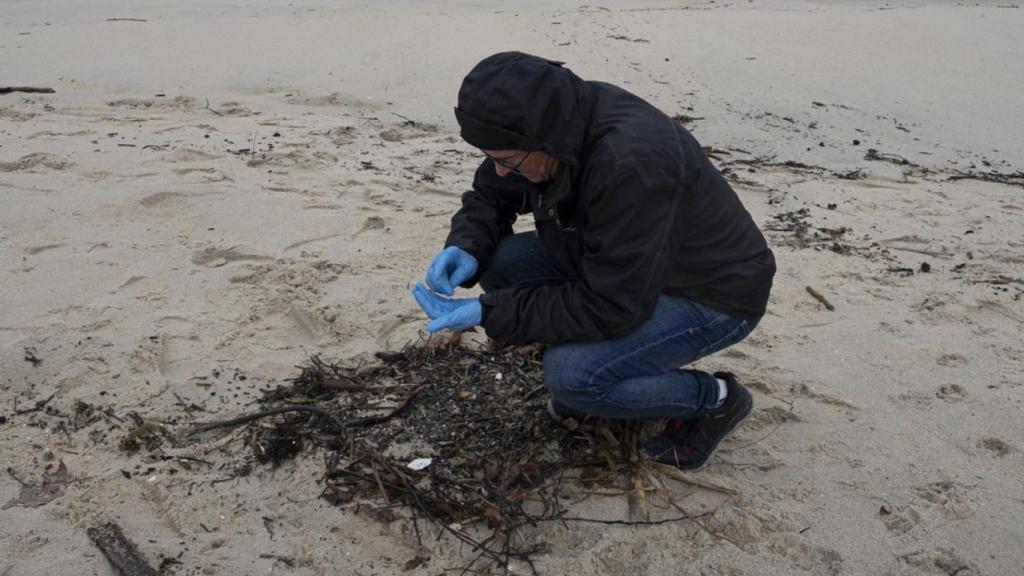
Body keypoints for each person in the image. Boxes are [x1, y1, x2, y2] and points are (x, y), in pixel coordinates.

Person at [412, 52, 775, 471]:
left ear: (542, 139)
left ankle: (715, 400)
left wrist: (491, 312)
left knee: (572, 378)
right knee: (499, 264)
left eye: (507, 159)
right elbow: (492, 193)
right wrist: (466, 246)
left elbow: (614, 305)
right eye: (491, 155)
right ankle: (606, 357)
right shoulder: (549, 120)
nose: (498, 169)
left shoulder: (631, 164)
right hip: (621, 262)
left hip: (712, 293)